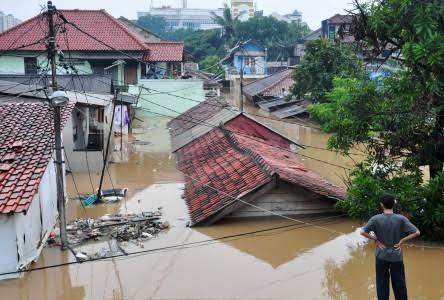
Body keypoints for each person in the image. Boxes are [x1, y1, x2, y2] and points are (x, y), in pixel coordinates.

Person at [361, 193, 420, 300]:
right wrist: (402, 240)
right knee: (399, 285)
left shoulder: (375, 219)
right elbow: (417, 232)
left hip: (381, 255)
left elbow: (363, 232)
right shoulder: (401, 219)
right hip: (396, 256)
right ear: (393, 204)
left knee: (382, 284)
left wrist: (376, 240)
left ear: (382, 205)